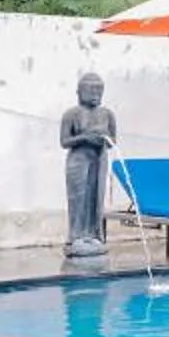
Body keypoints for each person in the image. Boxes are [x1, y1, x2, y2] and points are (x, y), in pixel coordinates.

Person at [60, 72, 118, 262]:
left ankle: (94, 234)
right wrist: (85, 137)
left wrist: (103, 139)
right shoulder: (71, 114)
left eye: (99, 91)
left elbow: (113, 141)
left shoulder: (107, 114)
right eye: (91, 90)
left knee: (96, 197)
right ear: (79, 92)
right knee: (78, 198)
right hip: (78, 160)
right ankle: (76, 236)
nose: (95, 94)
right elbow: (64, 141)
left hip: (99, 159)